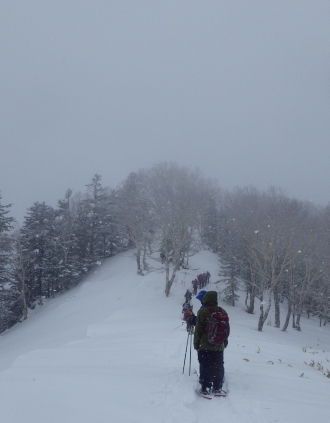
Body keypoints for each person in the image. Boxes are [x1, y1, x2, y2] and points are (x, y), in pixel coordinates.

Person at [193, 291, 228, 395]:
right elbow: (225, 329)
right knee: (218, 366)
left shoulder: (203, 311)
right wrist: (224, 343)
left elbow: (198, 329)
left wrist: (196, 344)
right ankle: (217, 387)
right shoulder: (223, 311)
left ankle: (206, 388)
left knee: (205, 366)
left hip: (205, 345)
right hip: (219, 345)